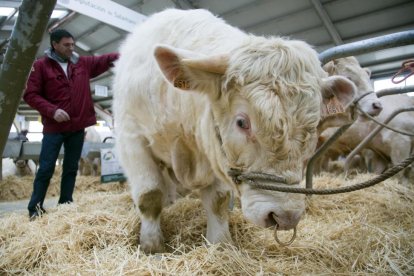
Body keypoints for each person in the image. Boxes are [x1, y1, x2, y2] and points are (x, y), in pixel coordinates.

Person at [23, 29, 119, 220]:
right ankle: (35, 209)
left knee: (71, 167)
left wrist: (132, 50)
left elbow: (106, 59)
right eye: (66, 45)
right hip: (54, 128)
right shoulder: (41, 66)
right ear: (55, 44)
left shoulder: (81, 63)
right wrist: (52, 111)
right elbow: (30, 95)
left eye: (73, 44)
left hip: (77, 127)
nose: (71, 48)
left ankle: (66, 203)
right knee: (46, 168)